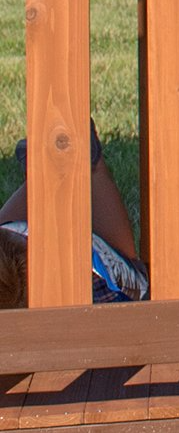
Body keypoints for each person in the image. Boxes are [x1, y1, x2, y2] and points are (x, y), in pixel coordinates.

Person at [0, 122, 147, 307]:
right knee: (123, 268)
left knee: (124, 268)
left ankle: (54, 171)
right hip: (74, 260)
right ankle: (58, 170)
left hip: (38, 251)